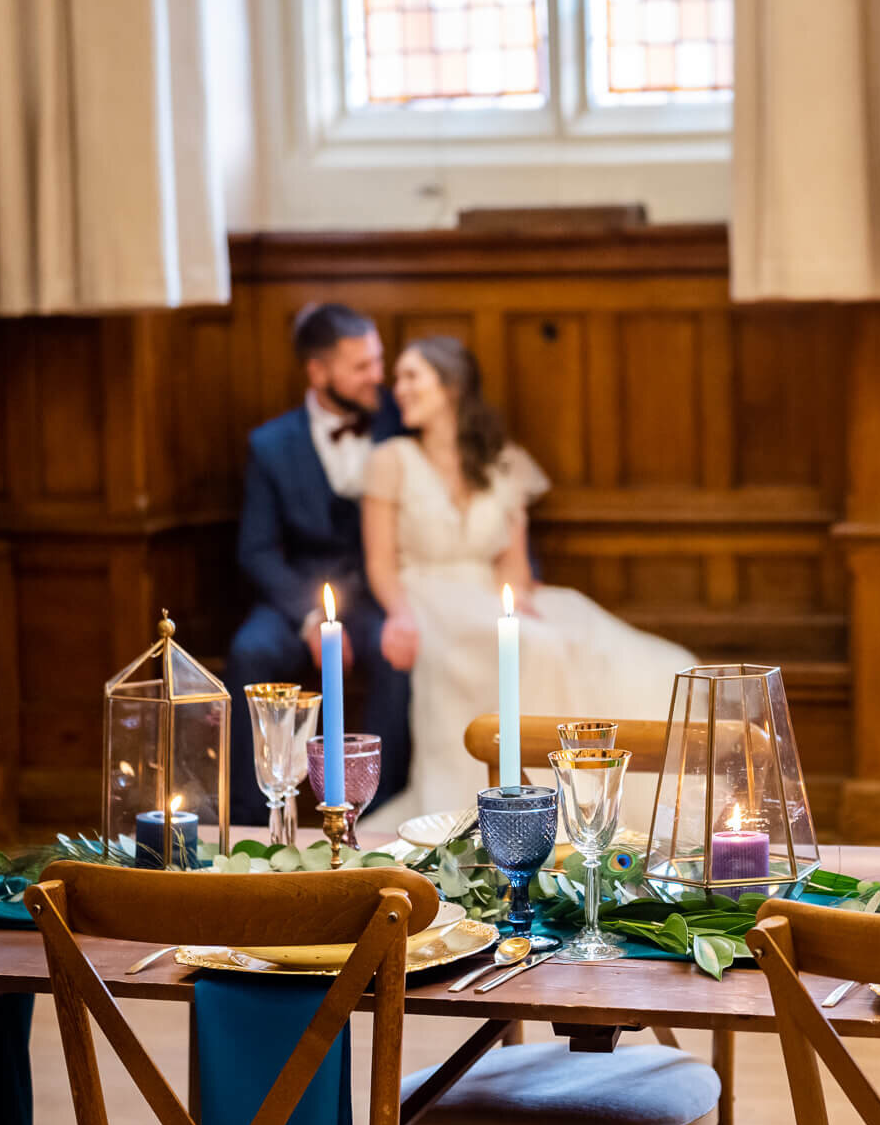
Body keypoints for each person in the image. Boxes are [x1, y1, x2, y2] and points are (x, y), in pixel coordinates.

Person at [363, 336, 694, 819]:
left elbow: (513, 563)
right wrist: (399, 615)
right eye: (398, 378)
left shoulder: (503, 461)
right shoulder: (391, 459)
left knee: (634, 655)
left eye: (412, 376)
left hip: (487, 592)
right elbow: (379, 560)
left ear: (451, 385)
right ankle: (521, 802)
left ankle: (597, 800)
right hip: (427, 596)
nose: (399, 389)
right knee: (538, 648)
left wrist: (517, 602)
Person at [225, 303, 412, 824]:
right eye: (362, 366)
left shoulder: (401, 420)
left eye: (378, 360)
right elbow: (255, 550)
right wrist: (310, 618)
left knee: (398, 656)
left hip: (375, 593)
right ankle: (249, 818)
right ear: (318, 371)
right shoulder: (270, 444)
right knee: (249, 653)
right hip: (296, 597)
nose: (379, 376)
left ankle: (382, 813)